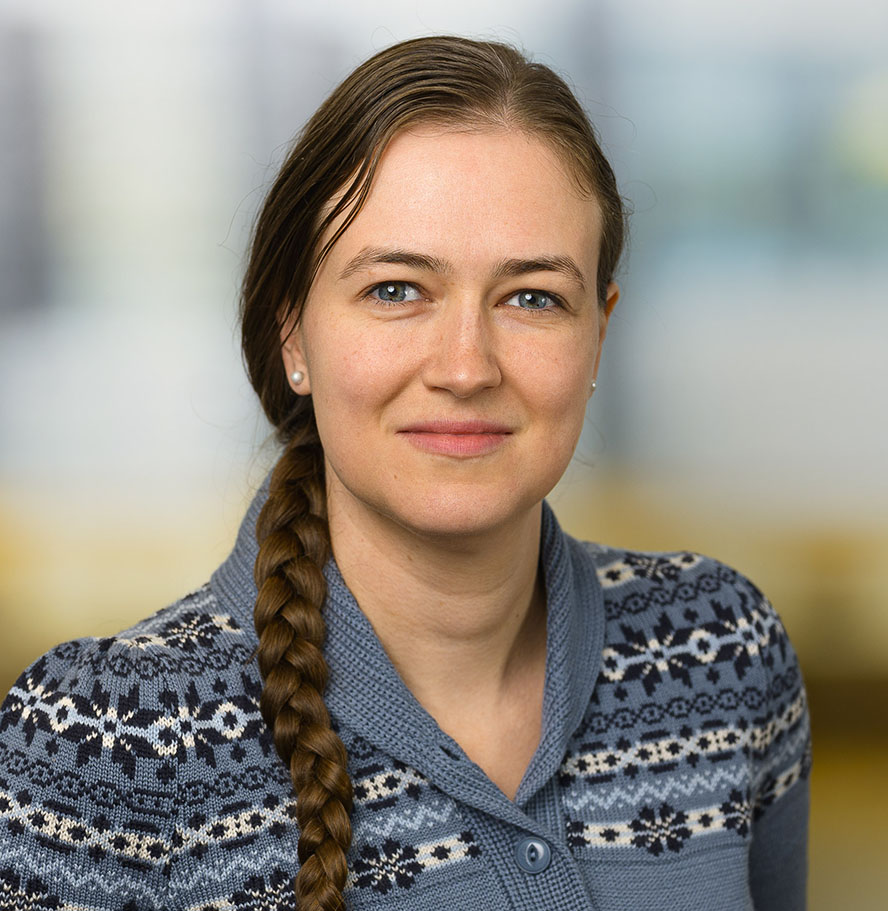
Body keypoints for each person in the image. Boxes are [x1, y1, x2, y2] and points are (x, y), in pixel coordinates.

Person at [0, 36, 810, 911]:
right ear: (292, 334)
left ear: (598, 335)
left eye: (532, 297)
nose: (465, 367)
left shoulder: (722, 653)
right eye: (395, 290)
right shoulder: (104, 740)